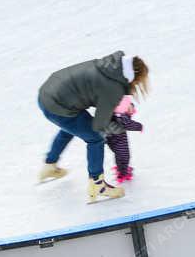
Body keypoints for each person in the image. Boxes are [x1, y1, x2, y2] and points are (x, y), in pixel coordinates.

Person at [36, 50, 149, 203]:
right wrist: (117, 127)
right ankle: (97, 184)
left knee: (71, 127)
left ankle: (50, 165)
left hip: (48, 93)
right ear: (134, 77)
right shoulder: (113, 87)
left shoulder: (110, 67)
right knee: (95, 138)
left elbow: (100, 92)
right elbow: (99, 125)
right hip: (58, 106)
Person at [106, 96, 143, 184]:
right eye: (131, 109)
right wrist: (139, 126)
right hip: (118, 137)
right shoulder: (121, 115)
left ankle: (120, 168)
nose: (132, 112)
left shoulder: (114, 110)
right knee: (125, 155)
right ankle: (123, 173)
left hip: (109, 136)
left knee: (118, 154)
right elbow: (127, 124)